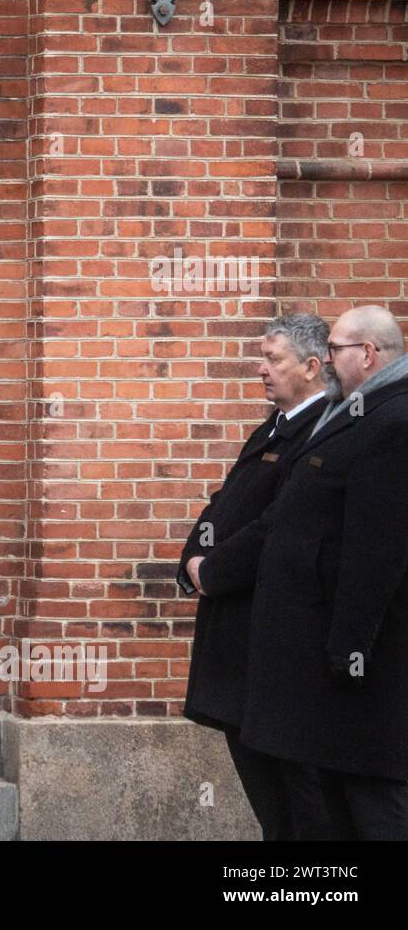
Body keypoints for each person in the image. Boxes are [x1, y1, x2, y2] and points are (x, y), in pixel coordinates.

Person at [233, 305, 408, 839]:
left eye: (334, 350)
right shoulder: (358, 410)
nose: (326, 360)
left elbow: (375, 549)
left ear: (368, 354)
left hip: (362, 666)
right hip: (334, 656)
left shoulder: (392, 420)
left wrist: (347, 652)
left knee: (371, 800)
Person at [178, 313, 331, 840]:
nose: (260, 369)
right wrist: (191, 560)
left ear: (312, 367)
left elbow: (276, 525)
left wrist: (213, 571)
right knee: (269, 799)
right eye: (262, 357)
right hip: (238, 643)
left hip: (273, 644)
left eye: (274, 359)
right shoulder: (272, 426)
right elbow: (225, 505)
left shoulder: (321, 430)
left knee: (298, 802)